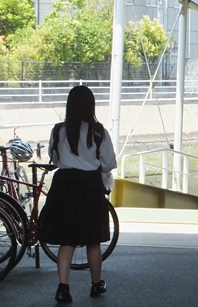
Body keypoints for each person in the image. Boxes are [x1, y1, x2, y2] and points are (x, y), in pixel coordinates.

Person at [39, 85, 117, 303]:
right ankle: (96, 285)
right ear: (91, 105)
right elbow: (109, 162)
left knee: (68, 241)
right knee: (93, 241)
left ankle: (63, 288)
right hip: (90, 186)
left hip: (64, 185)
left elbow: (54, 160)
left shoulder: (58, 130)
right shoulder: (99, 131)